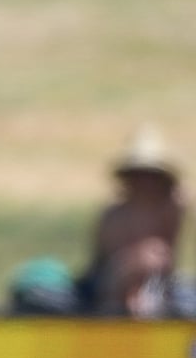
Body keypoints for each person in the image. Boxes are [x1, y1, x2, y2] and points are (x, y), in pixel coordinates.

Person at [75, 124, 189, 318]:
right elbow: (101, 263)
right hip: (108, 284)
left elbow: (168, 255)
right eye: (138, 175)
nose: (144, 182)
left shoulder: (170, 209)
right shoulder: (114, 215)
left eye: (151, 175)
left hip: (161, 282)